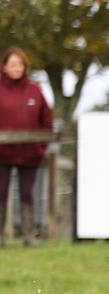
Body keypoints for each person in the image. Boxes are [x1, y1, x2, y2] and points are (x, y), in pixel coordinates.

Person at [0, 48, 53, 247]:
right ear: (5, 67)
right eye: (12, 64)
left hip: (29, 154)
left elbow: (47, 120)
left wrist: (41, 145)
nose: (16, 68)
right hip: (2, 154)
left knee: (27, 194)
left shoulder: (35, 90)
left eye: (20, 64)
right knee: (0, 193)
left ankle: (29, 236)